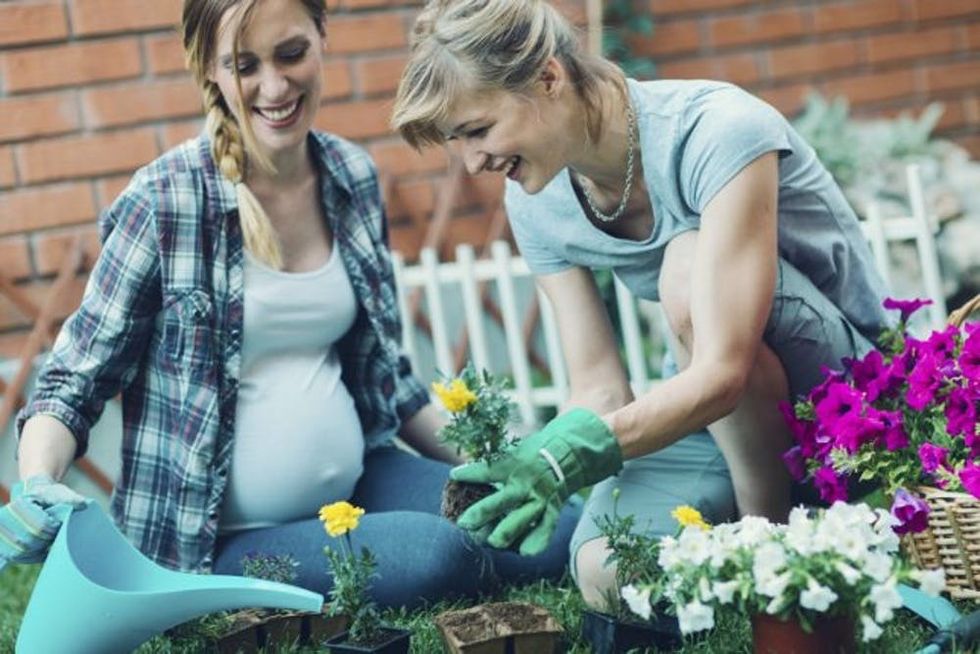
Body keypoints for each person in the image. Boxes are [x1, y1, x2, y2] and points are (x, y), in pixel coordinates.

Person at [0, 0, 579, 610]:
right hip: (212, 541)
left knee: (556, 527)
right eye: (245, 65)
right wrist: (38, 481)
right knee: (435, 552)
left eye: (292, 53)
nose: (275, 87)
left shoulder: (349, 177)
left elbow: (390, 383)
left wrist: (502, 470)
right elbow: (74, 380)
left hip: (361, 485)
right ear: (212, 72)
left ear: (323, 36)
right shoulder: (165, 202)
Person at [391, 0, 891, 609]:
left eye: (478, 130)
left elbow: (724, 372)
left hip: (847, 399)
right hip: (719, 407)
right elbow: (599, 388)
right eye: (456, 141)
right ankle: (750, 547)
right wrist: (548, 455)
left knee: (685, 265)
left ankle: (774, 555)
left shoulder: (716, 129)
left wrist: (574, 454)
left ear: (548, 78)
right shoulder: (536, 200)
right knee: (605, 570)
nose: (473, 162)